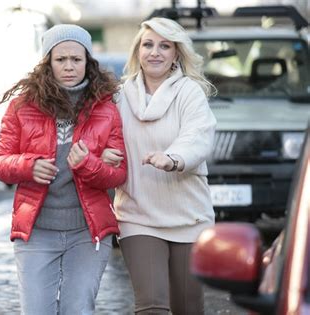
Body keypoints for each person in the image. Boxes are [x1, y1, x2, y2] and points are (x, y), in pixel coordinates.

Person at [0, 24, 127, 314]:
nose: (68, 66)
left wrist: (87, 163)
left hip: (88, 232)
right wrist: (28, 166)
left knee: (78, 309)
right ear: (47, 62)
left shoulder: (107, 109)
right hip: (37, 231)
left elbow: (118, 174)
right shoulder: (22, 107)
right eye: (60, 59)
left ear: (88, 63)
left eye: (76, 59)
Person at [102, 17, 217, 314]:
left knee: (188, 307)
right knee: (151, 304)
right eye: (148, 44)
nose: (155, 52)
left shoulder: (189, 92)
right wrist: (104, 153)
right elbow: (102, 136)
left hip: (189, 218)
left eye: (164, 46)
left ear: (176, 53)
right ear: (137, 51)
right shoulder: (119, 96)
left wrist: (173, 158)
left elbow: (198, 137)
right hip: (138, 216)